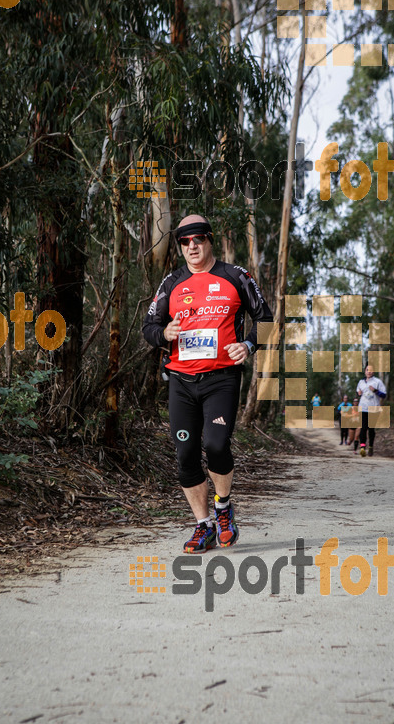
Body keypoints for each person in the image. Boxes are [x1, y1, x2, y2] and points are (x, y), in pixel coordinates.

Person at [142, 214, 273, 554]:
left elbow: (267, 319)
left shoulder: (235, 276)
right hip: (181, 382)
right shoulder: (171, 283)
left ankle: (224, 508)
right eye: (185, 241)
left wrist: (247, 345)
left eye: (197, 238)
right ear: (180, 246)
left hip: (221, 380)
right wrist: (163, 333)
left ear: (209, 239)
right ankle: (204, 526)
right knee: (185, 454)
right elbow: (149, 327)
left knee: (216, 445)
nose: (192, 246)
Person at [356, 364, 387, 456]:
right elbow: (358, 391)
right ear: (365, 371)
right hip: (363, 407)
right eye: (367, 370)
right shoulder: (361, 382)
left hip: (374, 408)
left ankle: (371, 447)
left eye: (371, 370)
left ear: (373, 371)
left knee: (371, 429)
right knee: (363, 427)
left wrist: (375, 391)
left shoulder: (378, 382)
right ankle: (362, 447)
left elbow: (384, 395)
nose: (369, 371)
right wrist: (359, 393)